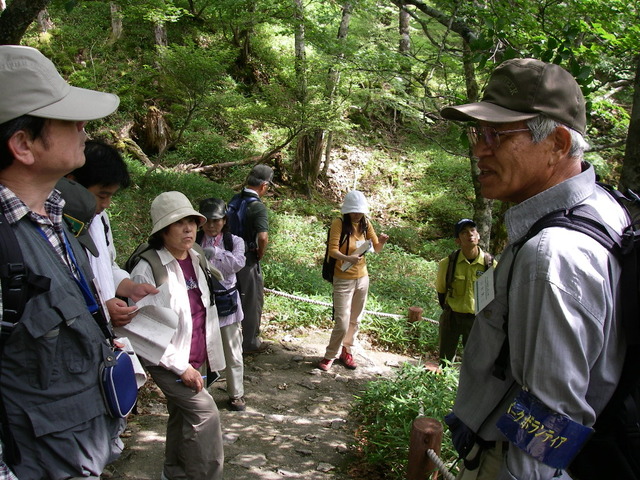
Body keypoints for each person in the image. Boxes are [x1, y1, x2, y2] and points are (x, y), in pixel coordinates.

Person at [439, 58, 628, 479]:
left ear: (559, 143)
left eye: (497, 135)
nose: (478, 148)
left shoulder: (553, 255)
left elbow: (547, 423)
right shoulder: (601, 207)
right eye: (477, 132)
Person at [0, 45, 124, 479]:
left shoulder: (55, 220)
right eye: (69, 121)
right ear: (23, 145)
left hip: (78, 452)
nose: (85, 130)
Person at [128, 191, 225, 480]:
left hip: (198, 354)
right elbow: (142, 330)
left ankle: (173, 472)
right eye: (179, 223)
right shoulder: (148, 269)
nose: (189, 229)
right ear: (163, 230)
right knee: (206, 415)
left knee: (182, 416)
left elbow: (203, 309)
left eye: (192, 222)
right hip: (169, 359)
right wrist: (181, 368)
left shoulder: (195, 257)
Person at [67, 140, 157, 327]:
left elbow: (108, 264)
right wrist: (101, 307)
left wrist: (130, 288)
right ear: (72, 182)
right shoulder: (59, 224)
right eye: (102, 195)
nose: (107, 204)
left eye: (111, 196)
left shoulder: (101, 220)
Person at [318, 190, 389, 371]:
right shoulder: (339, 224)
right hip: (342, 278)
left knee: (355, 320)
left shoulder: (366, 224)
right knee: (342, 321)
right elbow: (333, 250)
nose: (357, 215)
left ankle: (347, 350)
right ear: (347, 211)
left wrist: (381, 241)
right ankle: (330, 355)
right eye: (354, 211)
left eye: (360, 211)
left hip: (362, 278)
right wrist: (348, 258)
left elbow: (376, 249)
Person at [198, 198, 247, 411]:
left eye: (216, 220)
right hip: (201, 303)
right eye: (207, 220)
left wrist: (216, 253)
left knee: (232, 350)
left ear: (224, 220)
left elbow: (237, 264)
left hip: (228, 304)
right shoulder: (194, 240)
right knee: (201, 351)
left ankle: (236, 394)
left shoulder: (234, 241)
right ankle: (201, 392)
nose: (211, 225)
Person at [435, 218, 494, 365]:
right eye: (464, 232)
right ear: (458, 240)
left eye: (472, 230)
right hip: (452, 317)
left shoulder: (490, 265)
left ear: (478, 235)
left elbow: (496, 294)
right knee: (445, 360)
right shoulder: (447, 263)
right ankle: (443, 384)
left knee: (475, 361)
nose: (470, 234)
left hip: (477, 319)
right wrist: (451, 310)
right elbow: (441, 292)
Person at [231, 164, 273, 353]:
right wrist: (260, 252)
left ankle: (230, 339)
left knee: (231, 297)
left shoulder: (234, 200)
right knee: (251, 300)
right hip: (247, 258)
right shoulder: (257, 207)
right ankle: (249, 343)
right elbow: (263, 237)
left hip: (227, 257)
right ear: (263, 186)